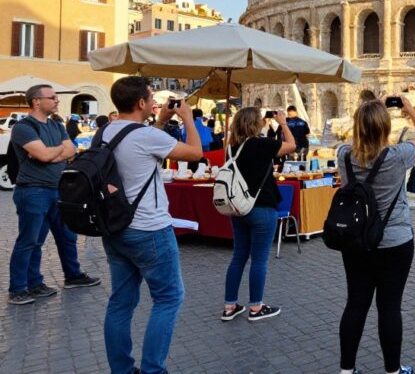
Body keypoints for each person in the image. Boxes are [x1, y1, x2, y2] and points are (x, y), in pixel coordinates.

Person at [99, 76, 204, 374]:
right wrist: (187, 118)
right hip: (150, 230)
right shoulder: (146, 137)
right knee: (169, 298)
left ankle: (121, 369)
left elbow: (141, 151)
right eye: (150, 97)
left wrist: (160, 121)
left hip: (116, 228)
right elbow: (196, 153)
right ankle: (152, 369)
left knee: (120, 302)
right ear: (141, 103)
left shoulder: (106, 132)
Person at [336, 97, 415, 374]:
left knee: (355, 304)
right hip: (395, 240)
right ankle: (393, 370)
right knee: (389, 308)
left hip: (356, 241)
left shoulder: (343, 155)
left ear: (357, 125)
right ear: (385, 127)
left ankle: (346, 370)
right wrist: (411, 110)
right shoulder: (397, 156)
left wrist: (371, 107)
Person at [8, 85, 101, 306]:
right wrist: (51, 152)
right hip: (33, 190)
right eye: (52, 98)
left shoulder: (57, 124)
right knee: (30, 240)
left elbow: (70, 150)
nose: (57, 101)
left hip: (58, 189)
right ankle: (19, 288)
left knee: (67, 236)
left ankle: (72, 276)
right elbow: (43, 155)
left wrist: (51, 153)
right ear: (36, 101)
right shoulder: (23, 127)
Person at [221, 107, 296, 323]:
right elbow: (291, 145)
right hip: (262, 207)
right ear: (256, 123)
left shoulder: (232, 147)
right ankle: (256, 307)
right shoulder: (261, 144)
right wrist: (282, 123)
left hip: (238, 208)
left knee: (238, 257)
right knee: (259, 259)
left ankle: (230, 305)